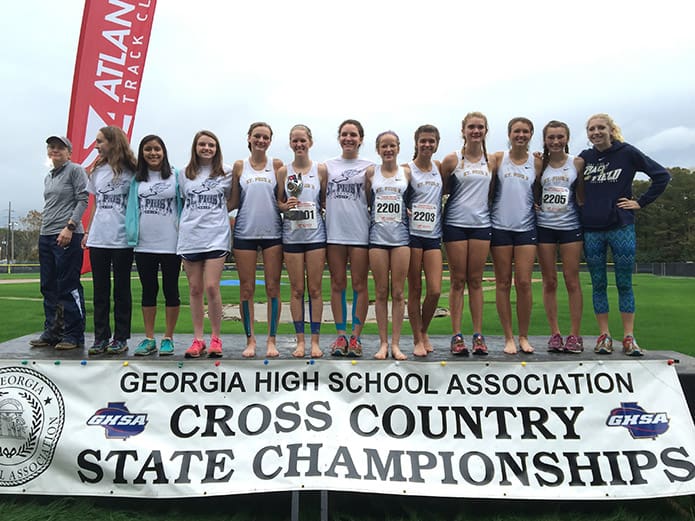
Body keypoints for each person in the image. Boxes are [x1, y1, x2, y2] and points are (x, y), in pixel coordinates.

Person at [580, 113, 670, 356]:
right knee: (598, 284)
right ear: (587, 133)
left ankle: (629, 336)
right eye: (591, 129)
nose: (596, 132)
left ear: (611, 130)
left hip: (621, 226)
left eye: (601, 128)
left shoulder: (627, 152)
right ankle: (604, 335)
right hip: (592, 229)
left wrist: (640, 202)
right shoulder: (584, 158)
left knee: (624, 283)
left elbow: (661, 176)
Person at [440, 112, 494, 356]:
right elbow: (436, 189)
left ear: (485, 130)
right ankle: (456, 335)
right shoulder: (452, 160)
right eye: (471, 127)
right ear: (463, 130)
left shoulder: (492, 161)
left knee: (476, 280)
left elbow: (493, 193)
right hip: (455, 224)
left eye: (480, 127)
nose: (476, 131)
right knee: (457, 280)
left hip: (481, 224)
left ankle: (478, 334)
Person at [230, 122, 284, 358]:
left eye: (266, 137)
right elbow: (233, 201)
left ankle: (271, 340)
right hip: (244, 233)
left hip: (273, 233)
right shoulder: (240, 166)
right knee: (246, 290)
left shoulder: (277, 165)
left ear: (270, 141)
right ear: (249, 138)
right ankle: (250, 339)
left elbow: (284, 200)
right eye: (257, 136)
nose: (261, 140)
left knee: (273, 288)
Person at [30, 135, 89, 350]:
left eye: (60, 148)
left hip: (67, 234)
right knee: (48, 286)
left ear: (69, 153)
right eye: (51, 147)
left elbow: (83, 199)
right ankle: (53, 330)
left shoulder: (75, 170)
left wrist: (70, 226)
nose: (55, 150)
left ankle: (73, 334)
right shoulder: (49, 176)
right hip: (47, 234)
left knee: (68, 285)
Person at [177, 130, 233, 358]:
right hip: (191, 236)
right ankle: (198, 339)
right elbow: (183, 201)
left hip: (216, 235)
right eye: (202, 144)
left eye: (211, 145)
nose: (207, 148)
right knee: (195, 288)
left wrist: (217, 215)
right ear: (195, 147)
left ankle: (216, 338)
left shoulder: (226, 172)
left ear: (216, 148)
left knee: (211, 286)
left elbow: (233, 199)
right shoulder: (184, 174)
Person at [125, 135, 182, 356]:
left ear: (164, 151)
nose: (153, 153)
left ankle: (168, 337)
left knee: (171, 290)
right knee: (149, 291)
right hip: (143, 244)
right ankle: (149, 338)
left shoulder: (175, 176)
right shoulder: (137, 180)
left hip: (170, 243)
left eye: (157, 149)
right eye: (148, 149)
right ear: (142, 153)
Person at [82, 126, 136, 355]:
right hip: (99, 238)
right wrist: (87, 232)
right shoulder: (96, 170)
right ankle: (101, 337)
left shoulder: (132, 170)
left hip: (122, 238)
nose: (96, 145)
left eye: (100, 141)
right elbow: (95, 203)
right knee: (100, 290)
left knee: (122, 289)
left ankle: (121, 337)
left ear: (113, 142)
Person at [324, 119, 374, 357]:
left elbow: (374, 199)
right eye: (344, 134)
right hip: (334, 233)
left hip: (359, 232)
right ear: (339, 137)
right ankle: (341, 335)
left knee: (360, 285)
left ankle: (356, 336)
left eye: (353, 134)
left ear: (361, 138)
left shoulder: (369, 167)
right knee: (337, 284)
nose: (348, 138)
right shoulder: (327, 167)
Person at [535, 121, 585, 353]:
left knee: (571, 280)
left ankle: (575, 334)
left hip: (570, 227)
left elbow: (582, 196)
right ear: (545, 140)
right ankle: (554, 333)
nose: (555, 141)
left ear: (567, 138)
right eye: (551, 137)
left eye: (560, 137)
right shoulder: (539, 164)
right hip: (544, 227)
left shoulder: (577, 163)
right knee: (550, 281)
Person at [277, 124, 327, 358]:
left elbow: (324, 201)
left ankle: (315, 341)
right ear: (290, 143)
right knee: (297, 290)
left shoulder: (320, 170)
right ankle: (300, 342)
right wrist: (284, 206)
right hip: (292, 236)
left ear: (310, 142)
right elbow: (279, 202)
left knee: (315, 290)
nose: (299, 145)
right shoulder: (282, 172)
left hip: (316, 236)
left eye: (302, 140)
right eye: (295, 141)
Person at [490, 117, 537, 355]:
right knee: (503, 283)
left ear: (530, 135)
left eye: (525, 132)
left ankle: (523, 336)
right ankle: (508, 337)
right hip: (500, 227)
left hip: (526, 228)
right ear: (509, 134)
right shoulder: (498, 159)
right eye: (516, 131)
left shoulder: (536, 162)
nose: (521, 135)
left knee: (524, 283)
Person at [366, 131, 411, 360]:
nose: (388, 149)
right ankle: (383, 343)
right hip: (377, 239)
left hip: (401, 238)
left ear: (398, 147)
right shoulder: (371, 173)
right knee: (381, 292)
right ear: (378, 149)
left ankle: (396, 344)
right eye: (384, 146)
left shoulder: (406, 173)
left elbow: (413, 199)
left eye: (392, 145)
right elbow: (367, 201)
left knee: (399, 292)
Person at [406, 125, 443, 357]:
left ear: (437, 143)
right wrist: (405, 210)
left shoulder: (439, 168)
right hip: (411, 235)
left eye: (431, 141)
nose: (427, 145)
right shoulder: (406, 170)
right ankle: (417, 338)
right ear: (416, 143)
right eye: (423, 141)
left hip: (433, 235)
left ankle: (423, 330)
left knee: (435, 290)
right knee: (415, 289)